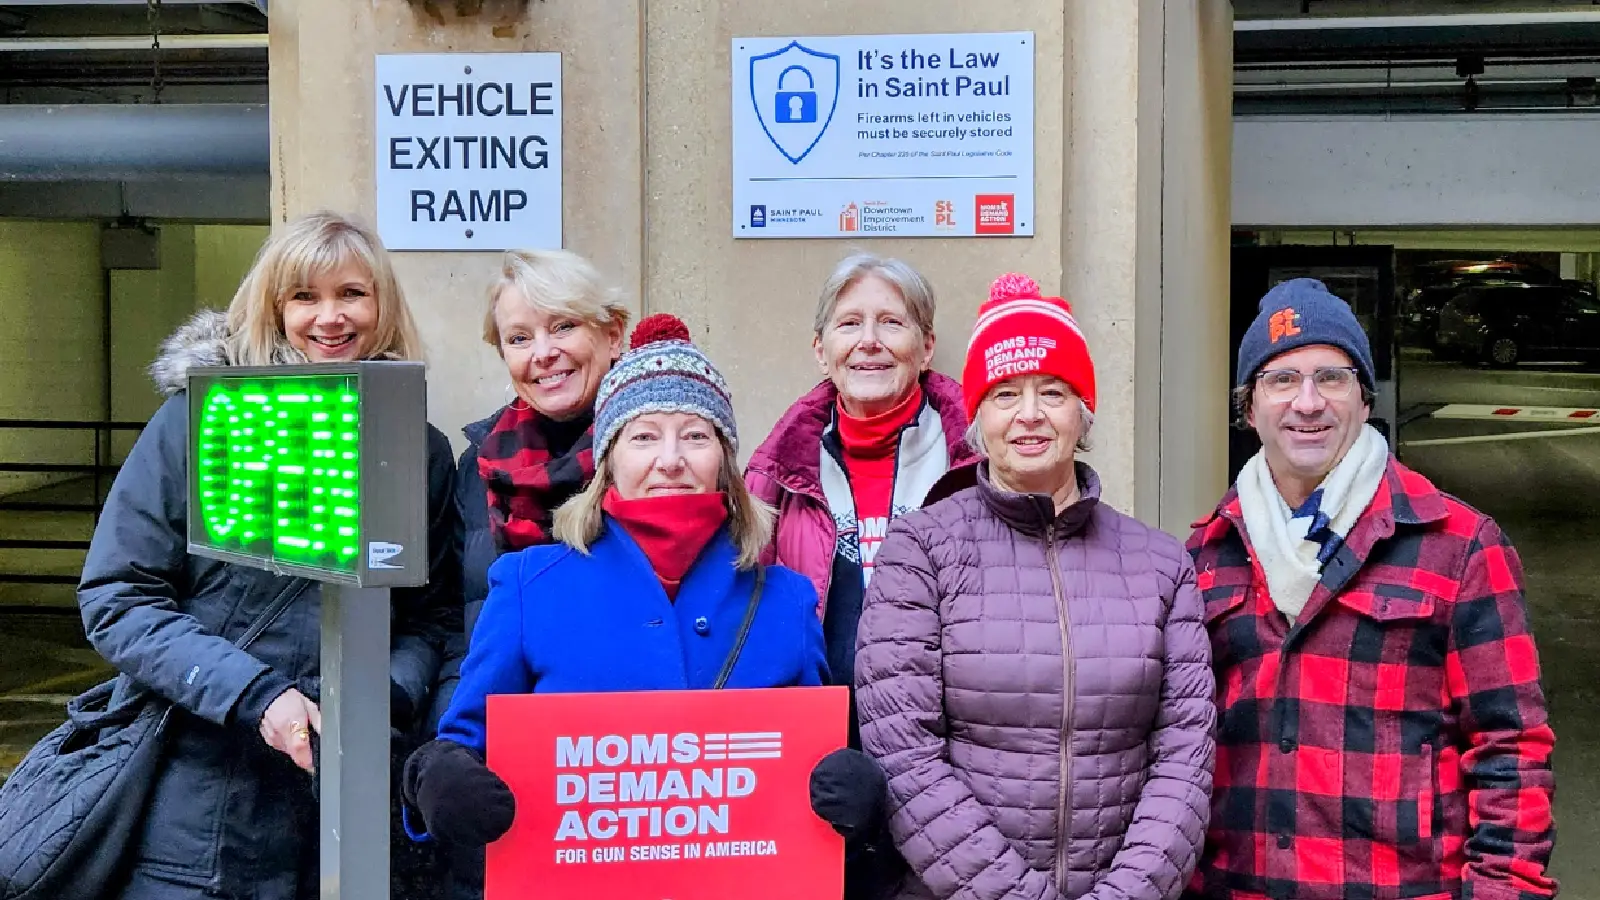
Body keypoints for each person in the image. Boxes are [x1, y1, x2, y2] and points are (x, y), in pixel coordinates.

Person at [79, 211, 459, 900]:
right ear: (274, 309)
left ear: (382, 307)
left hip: (346, 814)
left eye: (352, 293)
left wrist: (378, 698)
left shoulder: (418, 448)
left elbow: (431, 615)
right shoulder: (197, 424)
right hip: (199, 807)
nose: (330, 317)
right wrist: (256, 696)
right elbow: (119, 597)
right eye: (304, 296)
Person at [1186, 278, 1557, 900]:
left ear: (1364, 400)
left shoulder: (1459, 546)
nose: (1308, 402)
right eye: (1281, 380)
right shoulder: (1206, 554)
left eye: (1331, 378)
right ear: (1249, 409)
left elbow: (1511, 750)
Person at [402, 314, 829, 848]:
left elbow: (813, 766)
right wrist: (438, 775)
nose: (670, 460)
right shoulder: (529, 587)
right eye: (643, 437)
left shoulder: (786, 601)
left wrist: (845, 794)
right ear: (608, 461)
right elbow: (465, 739)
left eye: (696, 436)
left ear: (724, 460)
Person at [855, 273, 1215, 900]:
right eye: (1004, 394)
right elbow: (905, 753)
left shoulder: (1161, 563)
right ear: (977, 416)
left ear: (1082, 412)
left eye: (1052, 391)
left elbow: (1185, 754)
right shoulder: (919, 551)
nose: (1029, 414)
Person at [419, 248, 629, 899]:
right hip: (499, 771)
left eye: (564, 326)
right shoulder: (478, 465)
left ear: (613, 333)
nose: (544, 353)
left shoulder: (661, 451)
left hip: (624, 772)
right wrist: (449, 751)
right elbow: (451, 620)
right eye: (519, 337)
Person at [746, 253, 975, 727]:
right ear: (821, 349)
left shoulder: (973, 463)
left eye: (891, 323)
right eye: (850, 324)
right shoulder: (775, 473)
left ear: (926, 348)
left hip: (949, 732)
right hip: (819, 732)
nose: (869, 341)